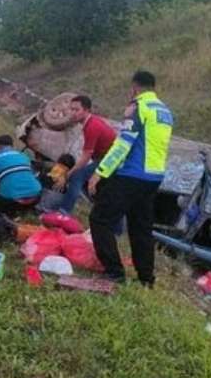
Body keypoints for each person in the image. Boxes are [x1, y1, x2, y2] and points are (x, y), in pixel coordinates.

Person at [88, 71, 174, 287]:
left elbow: (123, 143)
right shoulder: (165, 111)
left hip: (132, 174)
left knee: (100, 219)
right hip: (153, 177)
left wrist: (100, 172)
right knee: (141, 227)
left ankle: (114, 272)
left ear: (135, 87)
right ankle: (146, 278)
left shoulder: (138, 107)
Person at [57, 95, 118, 215]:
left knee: (77, 177)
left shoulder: (92, 126)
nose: (73, 113)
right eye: (72, 109)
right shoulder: (90, 122)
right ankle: (116, 227)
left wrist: (69, 174)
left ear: (86, 110)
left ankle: (63, 211)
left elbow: (86, 156)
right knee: (105, 193)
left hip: (108, 160)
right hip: (108, 159)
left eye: (77, 110)